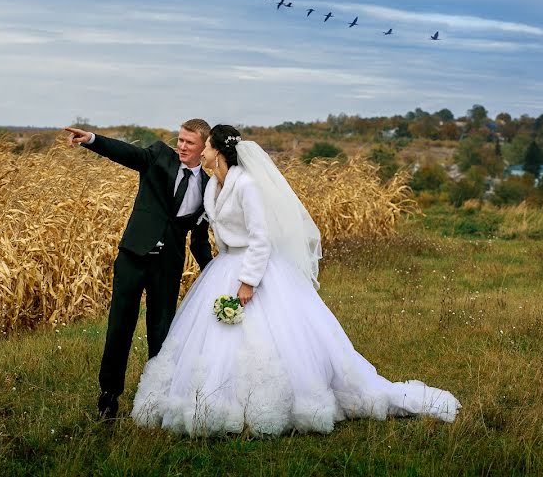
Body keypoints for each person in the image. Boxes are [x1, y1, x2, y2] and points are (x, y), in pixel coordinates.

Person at [131, 125, 461, 436]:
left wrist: (247, 282)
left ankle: (270, 402)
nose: (199, 152)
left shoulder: (245, 184)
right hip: (224, 266)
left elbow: (261, 238)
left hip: (253, 268)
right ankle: (216, 398)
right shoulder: (214, 185)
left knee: (269, 338)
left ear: (218, 151)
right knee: (215, 339)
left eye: (205, 147)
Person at [66, 120, 214, 420]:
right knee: (120, 327)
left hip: (167, 266)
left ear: (204, 147)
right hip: (133, 258)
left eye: (190, 143)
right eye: (180, 140)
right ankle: (108, 397)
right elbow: (126, 153)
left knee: (161, 332)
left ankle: (155, 397)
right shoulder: (159, 156)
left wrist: (212, 270)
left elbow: (199, 239)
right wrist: (93, 139)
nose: (182, 146)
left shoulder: (209, 188)